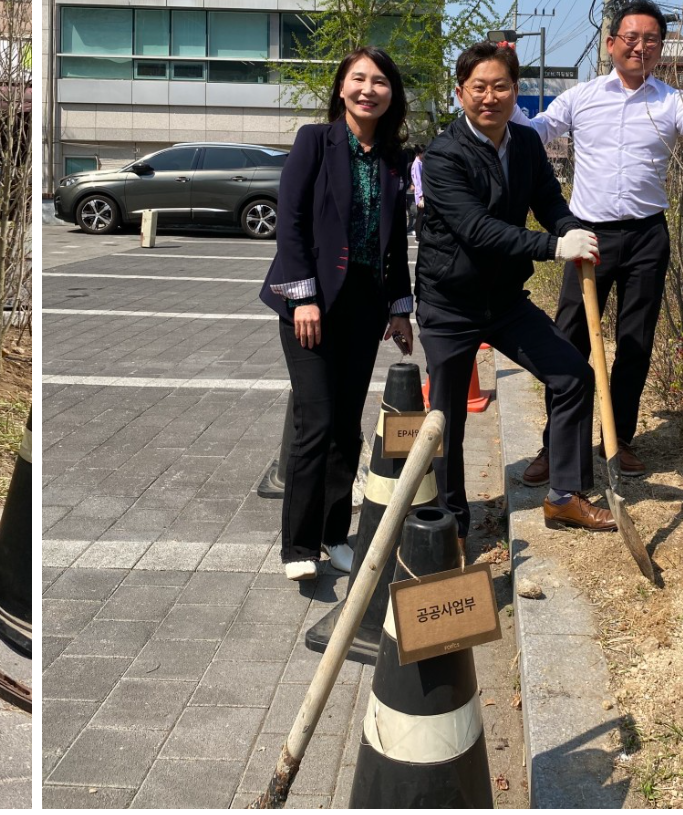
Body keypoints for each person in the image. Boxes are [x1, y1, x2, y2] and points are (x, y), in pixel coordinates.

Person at [515, 0, 683, 483]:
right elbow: (539, 129)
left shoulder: (670, 100)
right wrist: (505, 106)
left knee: (635, 341)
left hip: (648, 234)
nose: (640, 47)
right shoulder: (583, 97)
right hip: (588, 236)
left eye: (651, 39)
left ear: (661, 48)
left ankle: (618, 439)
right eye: (631, 38)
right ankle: (556, 445)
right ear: (611, 44)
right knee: (569, 341)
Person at [417, 41, 612, 534]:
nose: (490, 96)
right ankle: (451, 522)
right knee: (448, 418)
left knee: (572, 376)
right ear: (460, 93)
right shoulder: (443, 155)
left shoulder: (524, 143)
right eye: (478, 87)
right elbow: (477, 229)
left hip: (504, 301)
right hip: (450, 304)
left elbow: (547, 198)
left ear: (516, 91)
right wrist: (553, 247)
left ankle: (564, 495)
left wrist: (570, 228)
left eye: (500, 86)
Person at [260, 47, 415, 581]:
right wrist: (302, 295)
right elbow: (292, 221)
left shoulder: (396, 158)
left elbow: (394, 242)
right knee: (316, 422)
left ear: (392, 94)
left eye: (380, 82)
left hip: (364, 308)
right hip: (311, 305)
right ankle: (298, 546)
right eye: (359, 79)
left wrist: (400, 307)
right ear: (342, 87)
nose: (368, 89)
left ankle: (333, 535)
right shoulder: (315, 142)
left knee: (348, 427)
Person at [408, 145, 426, 236]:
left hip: (420, 192)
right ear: (419, 153)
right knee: (420, 214)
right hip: (420, 193)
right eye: (423, 153)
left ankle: (419, 234)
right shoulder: (416, 164)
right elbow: (418, 182)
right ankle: (418, 235)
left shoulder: (420, 162)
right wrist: (421, 195)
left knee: (421, 214)